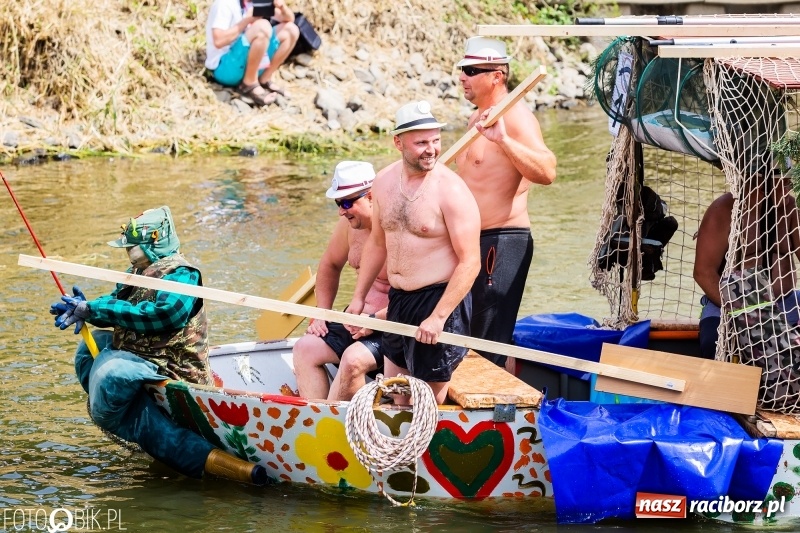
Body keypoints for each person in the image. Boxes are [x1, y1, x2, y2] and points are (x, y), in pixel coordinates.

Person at [50, 206, 266, 485]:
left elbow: (164, 315)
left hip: (172, 366)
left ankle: (208, 460)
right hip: (141, 358)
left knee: (109, 370)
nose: (128, 251)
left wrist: (99, 307)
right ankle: (138, 424)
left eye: (133, 245)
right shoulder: (136, 272)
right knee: (94, 347)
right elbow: (119, 305)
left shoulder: (184, 275)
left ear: (154, 241)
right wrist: (86, 309)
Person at [346, 101, 481, 405]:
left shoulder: (451, 190)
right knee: (397, 394)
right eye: (421, 142)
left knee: (426, 403)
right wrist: (358, 297)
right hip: (400, 299)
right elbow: (378, 244)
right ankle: (396, 450)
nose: (431, 149)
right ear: (398, 142)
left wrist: (438, 317)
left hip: (439, 299)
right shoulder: (383, 182)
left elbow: (470, 261)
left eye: (435, 140)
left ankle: (423, 449)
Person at [454, 36, 557, 373]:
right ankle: (504, 406)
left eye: (471, 70)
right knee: (469, 334)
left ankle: (494, 418)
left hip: (503, 240)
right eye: (462, 70)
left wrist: (506, 141)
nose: (462, 77)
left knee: (486, 341)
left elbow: (547, 171)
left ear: (497, 76)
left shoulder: (515, 117)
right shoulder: (475, 120)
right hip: (470, 243)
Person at [292, 161, 390, 401]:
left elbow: (414, 298)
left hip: (392, 328)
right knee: (304, 348)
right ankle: (315, 422)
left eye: (347, 203)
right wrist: (322, 313)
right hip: (355, 322)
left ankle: (331, 430)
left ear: (370, 196)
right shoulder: (349, 227)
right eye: (338, 204)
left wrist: (374, 320)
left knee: (352, 360)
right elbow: (329, 265)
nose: (341, 211)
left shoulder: (398, 230)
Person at [694, 173, 800, 359]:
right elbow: (703, 273)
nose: (788, 189)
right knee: (712, 342)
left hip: (786, 302)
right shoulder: (724, 209)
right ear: (760, 181)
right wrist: (742, 310)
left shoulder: (790, 207)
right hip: (728, 305)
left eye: (789, 183)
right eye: (782, 183)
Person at [205, 0, 299, 106]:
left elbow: (289, 19)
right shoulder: (224, 4)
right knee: (262, 27)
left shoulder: (256, 2)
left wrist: (282, 7)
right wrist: (246, 21)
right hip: (224, 68)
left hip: (246, 62)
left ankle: (264, 79)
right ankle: (249, 83)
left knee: (291, 30)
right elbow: (218, 41)